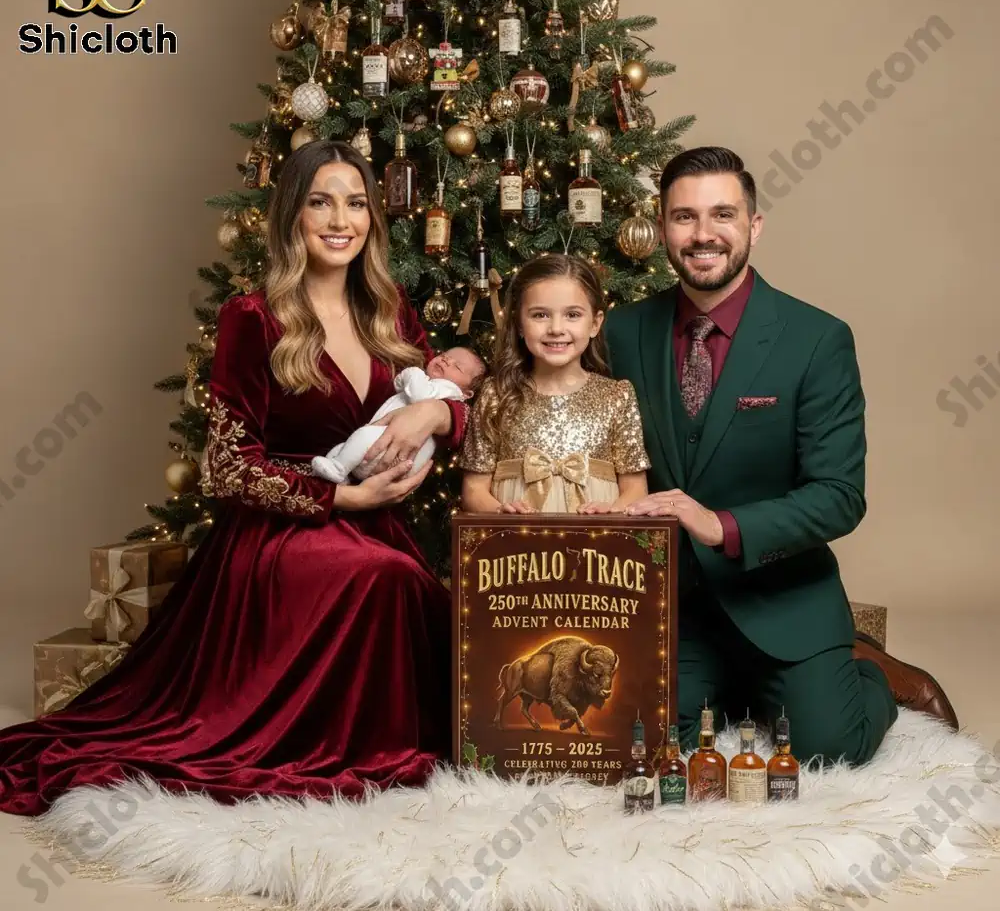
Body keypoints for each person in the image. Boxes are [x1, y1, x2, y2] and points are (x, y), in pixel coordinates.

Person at [0, 140, 468, 816]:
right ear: (293, 215)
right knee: (382, 579)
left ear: (373, 217)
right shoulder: (254, 318)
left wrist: (434, 412)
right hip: (281, 532)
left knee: (422, 596)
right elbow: (227, 467)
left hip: (377, 526)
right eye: (321, 202)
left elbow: (460, 409)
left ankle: (375, 745)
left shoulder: (390, 311)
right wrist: (341, 495)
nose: (341, 220)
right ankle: (348, 755)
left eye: (356, 203)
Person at [605, 145, 959, 764]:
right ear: (662, 228)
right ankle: (732, 692)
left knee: (828, 749)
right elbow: (548, 390)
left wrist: (720, 526)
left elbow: (839, 497)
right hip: (675, 611)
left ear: (754, 225)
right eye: (684, 216)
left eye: (723, 214)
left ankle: (873, 671)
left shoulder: (817, 339)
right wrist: (453, 392)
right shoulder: (620, 331)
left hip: (783, 601)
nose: (703, 234)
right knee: (640, 749)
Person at [460, 253, 650, 515]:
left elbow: (636, 489)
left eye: (572, 314)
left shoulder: (617, 396)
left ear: (595, 324)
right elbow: (473, 489)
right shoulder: (496, 393)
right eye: (540, 315)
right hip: (515, 539)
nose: (556, 328)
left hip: (597, 538)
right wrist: (501, 512)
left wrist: (612, 512)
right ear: (519, 324)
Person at [312, 347, 485, 484]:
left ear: (466, 394)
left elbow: (420, 396)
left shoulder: (447, 389)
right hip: (387, 454)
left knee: (362, 436)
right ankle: (339, 473)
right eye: (444, 355)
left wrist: (413, 372)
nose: (446, 361)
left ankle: (339, 467)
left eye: (457, 366)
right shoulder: (429, 384)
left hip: (388, 450)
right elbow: (400, 385)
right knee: (344, 447)